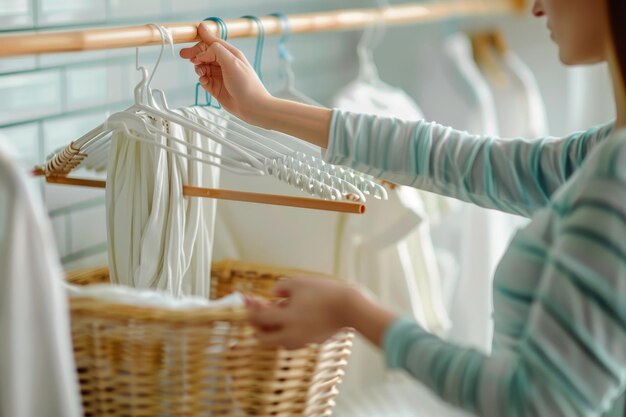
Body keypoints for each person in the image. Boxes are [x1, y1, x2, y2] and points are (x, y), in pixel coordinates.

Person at [180, 0, 626, 415]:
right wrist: (264, 109)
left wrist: (354, 311)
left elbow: (533, 400)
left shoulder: (617, 171)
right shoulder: (605, 153)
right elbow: (460, 160)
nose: (536, 6)